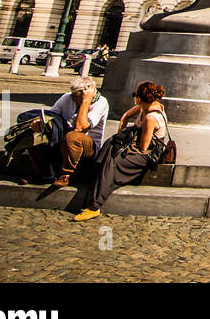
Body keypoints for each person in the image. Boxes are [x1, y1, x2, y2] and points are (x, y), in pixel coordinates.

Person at [73, 81, 170, 222]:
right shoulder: (144, 107)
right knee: (111, 144)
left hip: (149, 153)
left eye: (134, 95)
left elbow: (143, 147)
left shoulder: (151, 117)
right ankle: (97, 176)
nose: (133, 98)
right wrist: (121, 134)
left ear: (140, 98)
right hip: (137, 144)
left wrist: (125, 146)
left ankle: (94, 206)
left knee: (114, 161)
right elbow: (125, 116)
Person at [19, 77, 110, 186]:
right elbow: (52, 116)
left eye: (79, 97)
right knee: (37, 134)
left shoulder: (101, 102)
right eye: (75, 96)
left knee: (73, 137)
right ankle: (43, 173)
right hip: (63, 140)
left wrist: (86, 102)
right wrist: (39, 124)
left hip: (88, 145)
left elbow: (80, 127)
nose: (76, 99)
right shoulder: (68, 97)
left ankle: (65, 174)